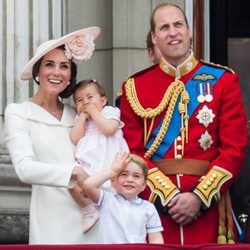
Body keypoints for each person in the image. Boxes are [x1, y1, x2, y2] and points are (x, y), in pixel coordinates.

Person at [119, 3, 248, 245]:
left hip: (209, 209)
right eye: (164, 27)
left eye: (178, 24)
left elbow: (234, 150)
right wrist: (167, 197)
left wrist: (199, 197)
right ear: (154, 38)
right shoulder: (134, 87)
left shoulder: (224, 81)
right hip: (154, 212)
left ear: (189, 31)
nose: (173, 32)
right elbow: (132, 153)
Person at [4, 27, 101, 244]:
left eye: (64, 66)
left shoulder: (77, 114)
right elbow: (24, 169)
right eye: (49, 64)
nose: (57, 72)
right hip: (51, 224)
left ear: (70, 76)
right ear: (38, 72)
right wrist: (73, 172)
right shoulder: (19, 112)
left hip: (94, 221)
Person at [69, 79, 129, 233]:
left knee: (115, 187)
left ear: (102, 101)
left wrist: (94, 113)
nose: (85, 103)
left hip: (108, 159)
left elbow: (108, 129)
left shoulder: (109, 112)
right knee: (71, 183)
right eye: (80, 100)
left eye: (90, 97)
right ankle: (89, 210)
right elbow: (75, 138)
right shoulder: (80, 119)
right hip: (89, 162)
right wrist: (82, 118)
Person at [84, 152, 164, 244]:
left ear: (143, 185)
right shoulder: (106, 200)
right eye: (124, 174)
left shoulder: (148, 208)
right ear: (113, 181)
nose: (130, 180)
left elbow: (155, 238)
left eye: (136, 176)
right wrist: (113, 170)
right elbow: (88, 185)